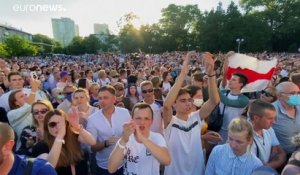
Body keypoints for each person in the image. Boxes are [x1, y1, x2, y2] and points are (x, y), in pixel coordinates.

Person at [163, 52, 220, 175]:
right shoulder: (170, 122)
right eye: (183, 101)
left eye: (190, 100)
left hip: (197, 171)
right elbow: (166, 105)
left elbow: (214, 101)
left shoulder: (196, 116)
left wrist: (211, 74)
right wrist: (183, 74)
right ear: (174, 103)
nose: (188, 103)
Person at [108, 103, 171, 175]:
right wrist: (123, 140)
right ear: (132, 120)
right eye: (138, 118)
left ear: (152, 121)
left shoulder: (157, 137)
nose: (142, 122)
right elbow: (111, 169)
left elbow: (167, 161)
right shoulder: (126, 138)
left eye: (146, 118)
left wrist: (143, 139)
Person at [86, 85, 131, 175]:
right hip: (104, 166)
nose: (102, 101)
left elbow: (132, 135)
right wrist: (105, 143)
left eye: (105, 98)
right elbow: (92, 147)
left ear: (114, 99)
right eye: (100, 98)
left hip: (124, 164)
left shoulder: (125, 113)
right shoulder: (92, 119)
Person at [35, 109, 96, 175]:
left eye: (61, 123)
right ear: (46, 127)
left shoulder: (73, 136)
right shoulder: (41, 146)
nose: (57, 127)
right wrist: (60, 136)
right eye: (52, 124)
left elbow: (92, 142)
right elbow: (50, 165)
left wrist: (77, 127)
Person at [248, 99, 286, 170]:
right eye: (270, 118)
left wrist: (267, 166)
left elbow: (281, 153)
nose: (274, 122)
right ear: (256, 118)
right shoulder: (244, 136)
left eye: (274, 118)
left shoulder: (269, 129)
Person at [272, 81, 300, 157]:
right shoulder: (271, 111)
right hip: (283, 156)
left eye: (298, 92)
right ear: (280, 96)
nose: (297, 95)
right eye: (293, 93)